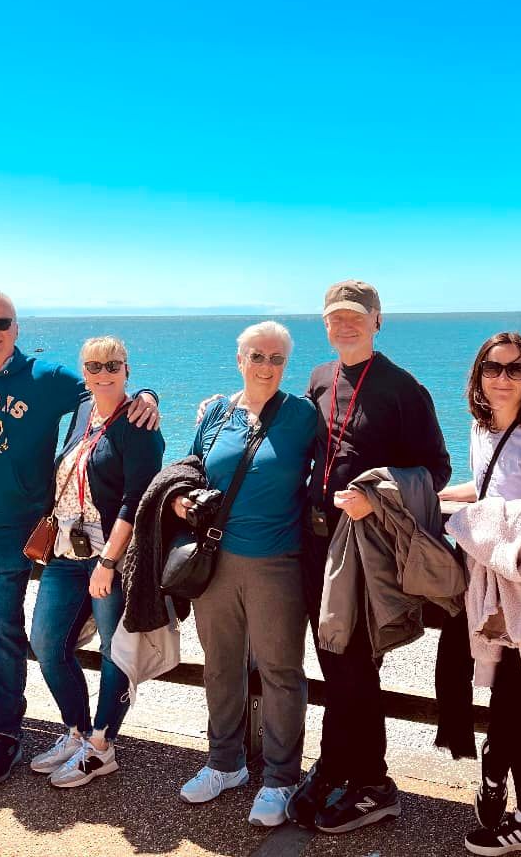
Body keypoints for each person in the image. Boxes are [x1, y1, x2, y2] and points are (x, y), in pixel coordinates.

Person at [0, 291, 160, 787]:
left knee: (6, 633)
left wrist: (150, 396)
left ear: (16, 327)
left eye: (2, 321)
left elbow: (108, 398)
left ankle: (7, 733)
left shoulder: (48, 378)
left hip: (19, 534)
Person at [286, 280, 452, 834]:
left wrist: (376, 498)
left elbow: (437, 470)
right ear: (324, 324)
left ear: (378, 321)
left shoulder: (404, 389)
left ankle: (375, 783)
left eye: (355, 316)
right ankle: (336, 765)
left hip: (365, 550)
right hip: (315, 544)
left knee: (354, 666)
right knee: (333, 660)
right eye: (334, 317)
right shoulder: (317, 378)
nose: (344, 325)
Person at [172, 321, 317, 826]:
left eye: (276, 359)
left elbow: (336, 468)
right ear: (239, 360)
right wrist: (182, 502)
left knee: (280, 671)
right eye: (257, 356)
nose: (266, 366)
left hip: (277, 563)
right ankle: (224, 763)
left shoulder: (302, 416)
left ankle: (281, 777)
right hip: (215, 559)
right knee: (220, 665)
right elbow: (190, 469)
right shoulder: (216, 412)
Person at [439, 332, 521, 855]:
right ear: (479, 374)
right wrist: (436, 496)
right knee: (512, 705)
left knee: (511, 703)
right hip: (488, 587)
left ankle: (493, 785)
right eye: (493, 368)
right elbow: (489, 486)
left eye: (514, 369)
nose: (503, 378)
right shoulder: (480, 427)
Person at [28, 336, 165, 789]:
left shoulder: (139, 424)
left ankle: (102, 746)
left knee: (115, 650)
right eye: (94, 366)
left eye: (113, 365)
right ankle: (76, 731)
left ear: (128, 368)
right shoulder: (83, 411)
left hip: (112, 556)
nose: (103, 373)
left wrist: (108, 562)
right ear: (83, 372)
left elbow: (135, 500)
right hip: (67, 553)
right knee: (46, 643)